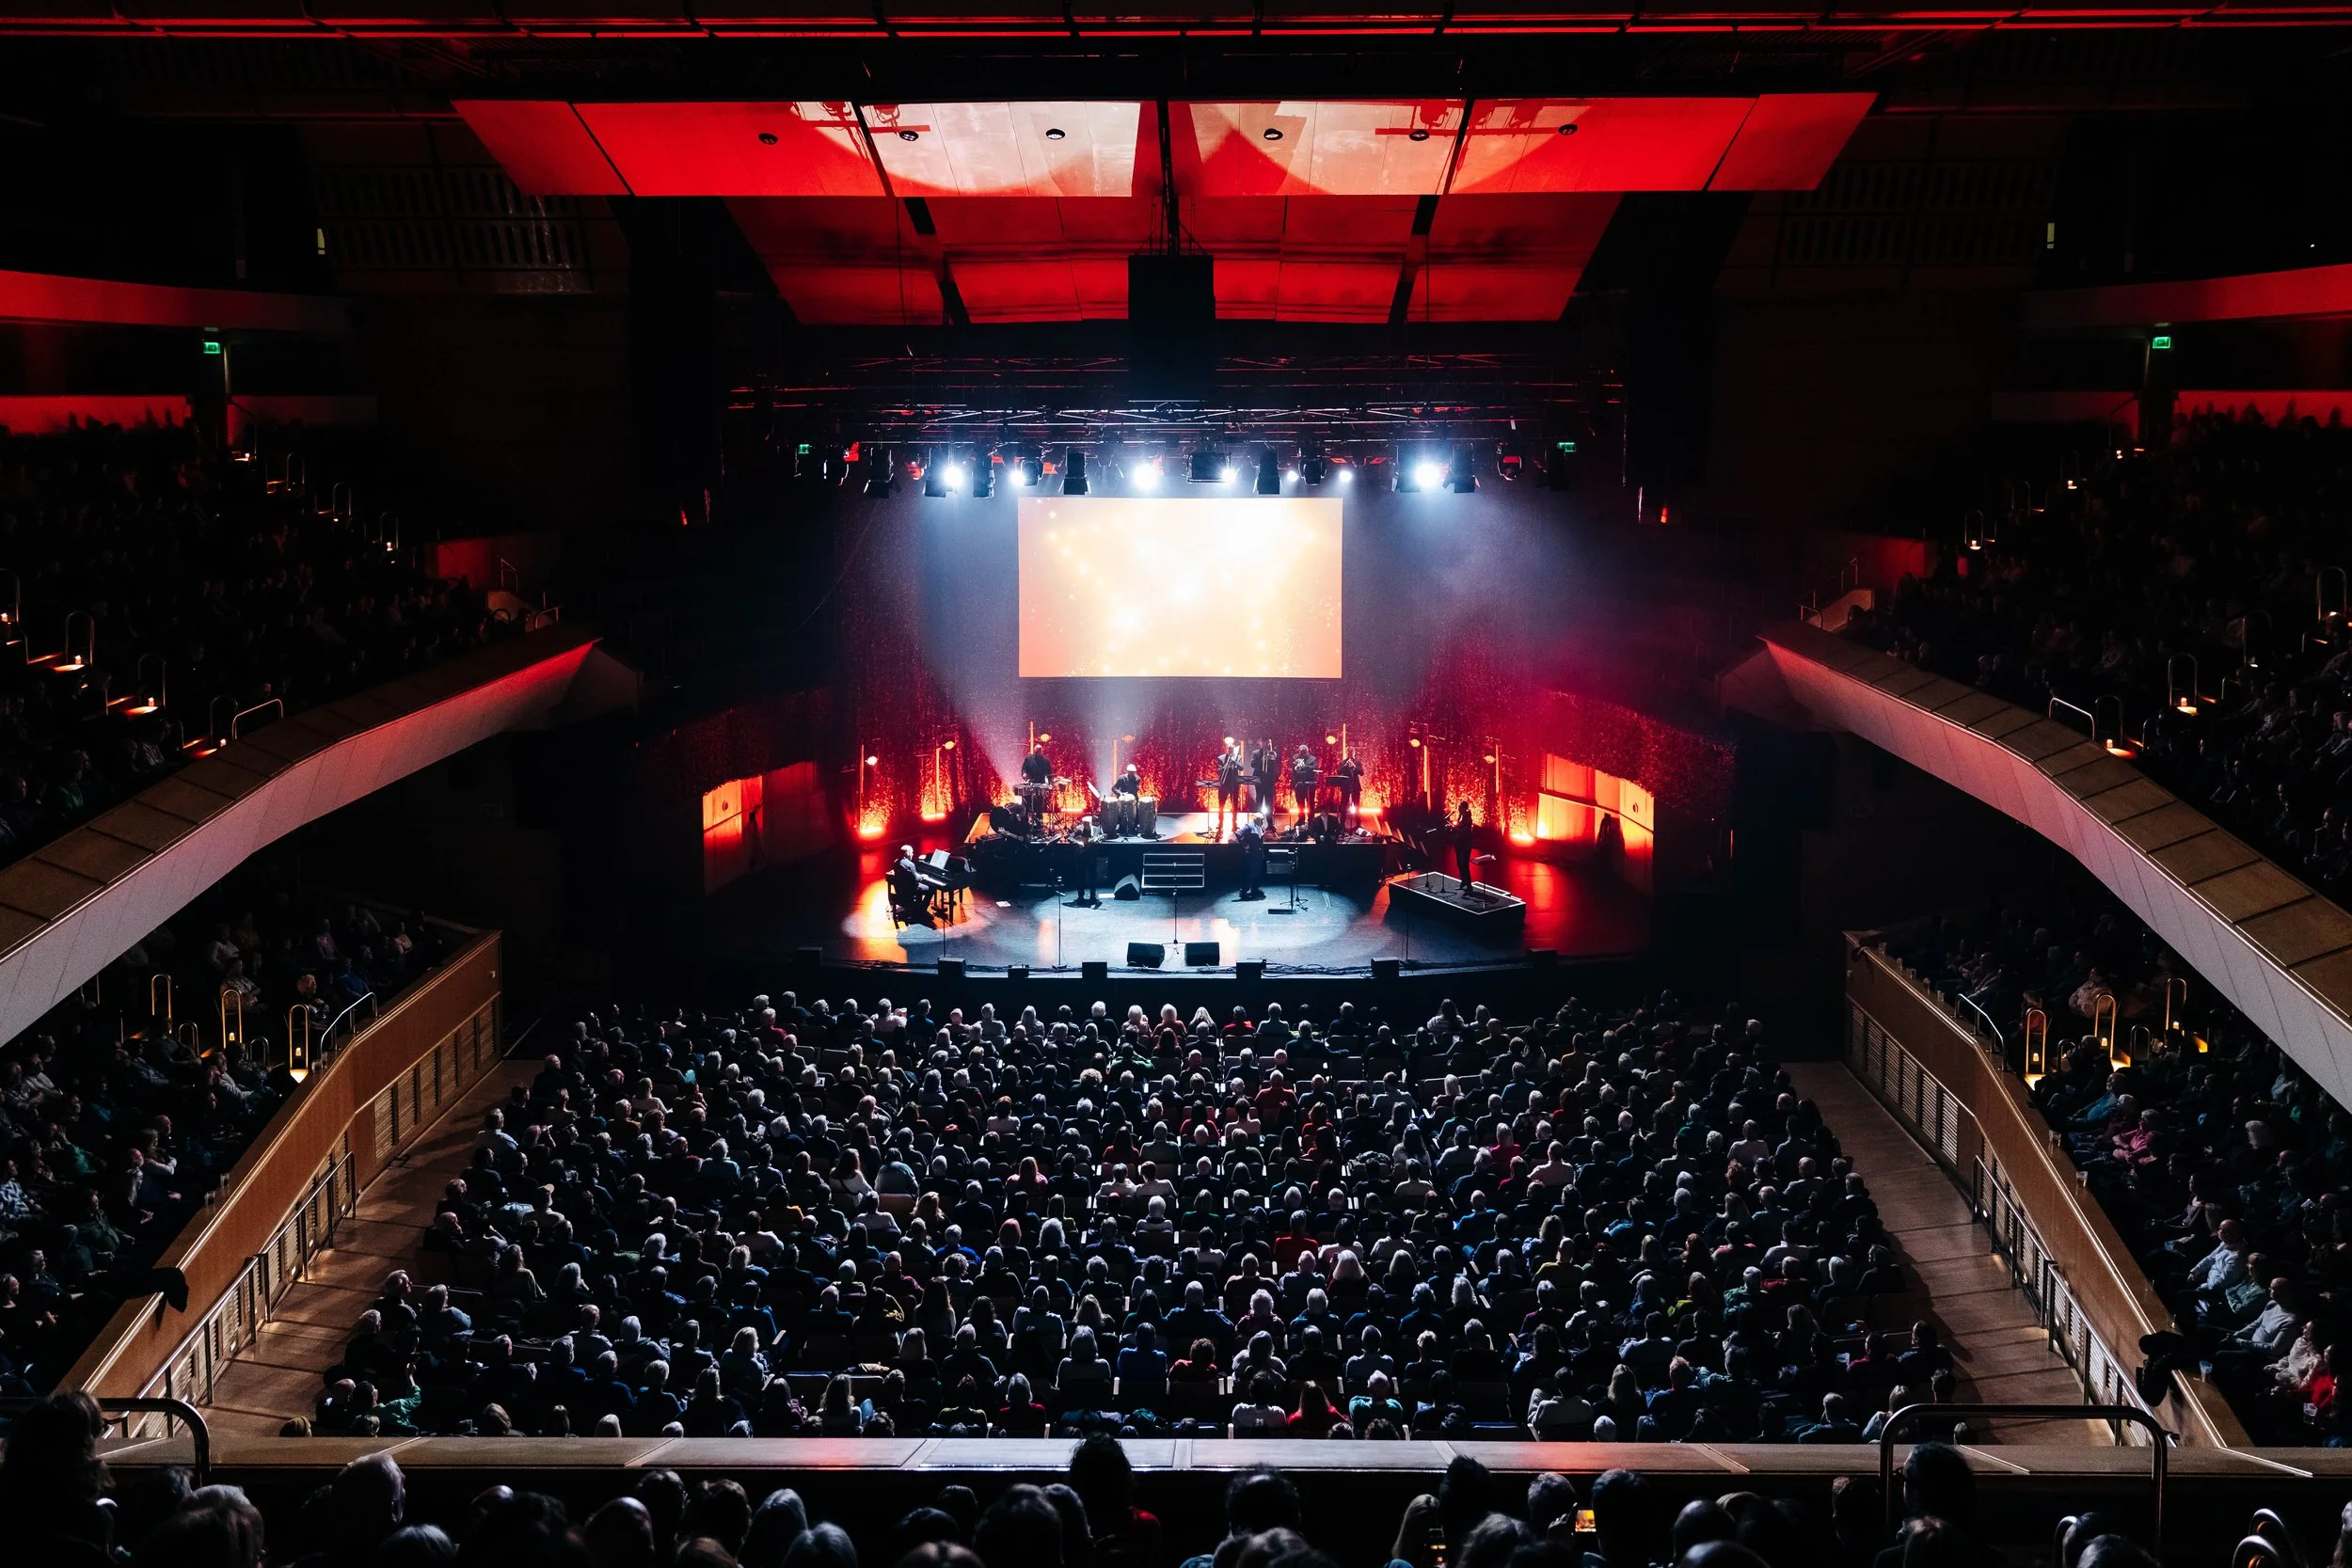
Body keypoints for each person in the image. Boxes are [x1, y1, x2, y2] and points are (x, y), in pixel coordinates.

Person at [1216, 742, 1246, 838]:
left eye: (1232, 749)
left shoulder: (1238, 757)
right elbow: (1218, 770)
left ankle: (1234, 824)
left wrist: (1234, 762)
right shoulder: (1221, 758)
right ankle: (1220, 824)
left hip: (1234, 784)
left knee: (1235, 805)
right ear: (1226, 749)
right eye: (1229, 749)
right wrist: (1226, 767)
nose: (1230, 750)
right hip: (1224, 784)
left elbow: (1241, 768)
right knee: (1221, 805)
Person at [1236, 818, 1266, 902]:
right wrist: (1245, 845)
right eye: (1261, 820)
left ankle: (1254, 889)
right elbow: (1238, 833)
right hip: (1251, 853)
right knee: (1250, 873)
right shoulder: (1249, 826)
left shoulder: (1261, 827)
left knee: (1257, 872)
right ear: (1256, 820)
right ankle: (1243, 892)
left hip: (1258, 853)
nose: (1263, 821)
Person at [1451, 801, 1477, 890]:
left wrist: (1455, 829)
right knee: (1459, 863)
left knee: (1465, 864)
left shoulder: (1468, 819)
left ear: (1464, 808)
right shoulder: (1461, 817)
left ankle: (1469, 885)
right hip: (1459, 843)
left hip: (1465, 844)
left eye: (1460, 807)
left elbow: (1465, 832)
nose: (1458, 809)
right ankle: (1463, 881)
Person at [1290, 745, 1318, 825]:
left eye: (1303, 753)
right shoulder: (1296, 757)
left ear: (1307, 751)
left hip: (1310, 785)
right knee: (1300, 803)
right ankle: (1301, 819)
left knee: (1310, 803)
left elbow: (1313, 768)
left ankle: (1311, 820)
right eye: (1300, 752)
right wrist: (1293, 782)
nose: (1301, 754)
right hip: (1299, 784)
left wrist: (1304, 766)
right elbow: (1294, 771)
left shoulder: (1313, 759)